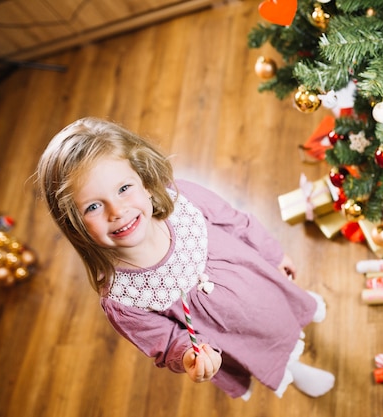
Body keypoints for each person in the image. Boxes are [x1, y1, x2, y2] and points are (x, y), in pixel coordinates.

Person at [36, 117, 335, 400]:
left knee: (281, 299)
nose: (117, 211)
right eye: (93, 207)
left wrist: (273, 253)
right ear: (74, 222)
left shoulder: (184, 200)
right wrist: (189, 354)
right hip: (235, 336)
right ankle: (292, 369)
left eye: (124, 189)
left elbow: (236, 222)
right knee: (266, 349)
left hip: (260, 282)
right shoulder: (122, 299)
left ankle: (299, 306)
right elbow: (165, 342)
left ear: (142, 178)